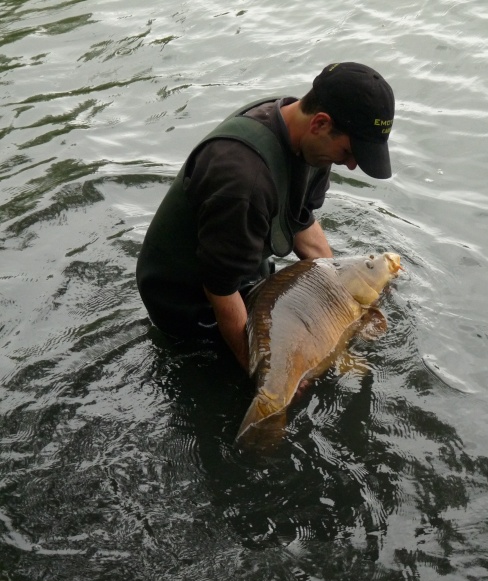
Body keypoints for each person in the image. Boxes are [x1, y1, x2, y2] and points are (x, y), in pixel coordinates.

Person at [136, 62, 395, 371]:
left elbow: (302, 222)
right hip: (190, 304)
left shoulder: (308, 139)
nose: (351, 165)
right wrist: (266, 376)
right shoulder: (243, 179)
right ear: (321, 123)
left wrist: (342, 301)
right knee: (279, 383)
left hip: (238, 265)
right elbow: (220, 289)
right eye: (349, 153)